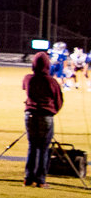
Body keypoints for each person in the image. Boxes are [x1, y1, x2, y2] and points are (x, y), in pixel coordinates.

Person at [23, 52, 64, 187]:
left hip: (30, 114)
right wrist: (52, 111)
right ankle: (40, 180)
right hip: (45, 115)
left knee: (32, 146)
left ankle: (28, 178)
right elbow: (59, 100)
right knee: (43, 148)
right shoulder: (51, 81)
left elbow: (26, 89)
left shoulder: (28, 78)